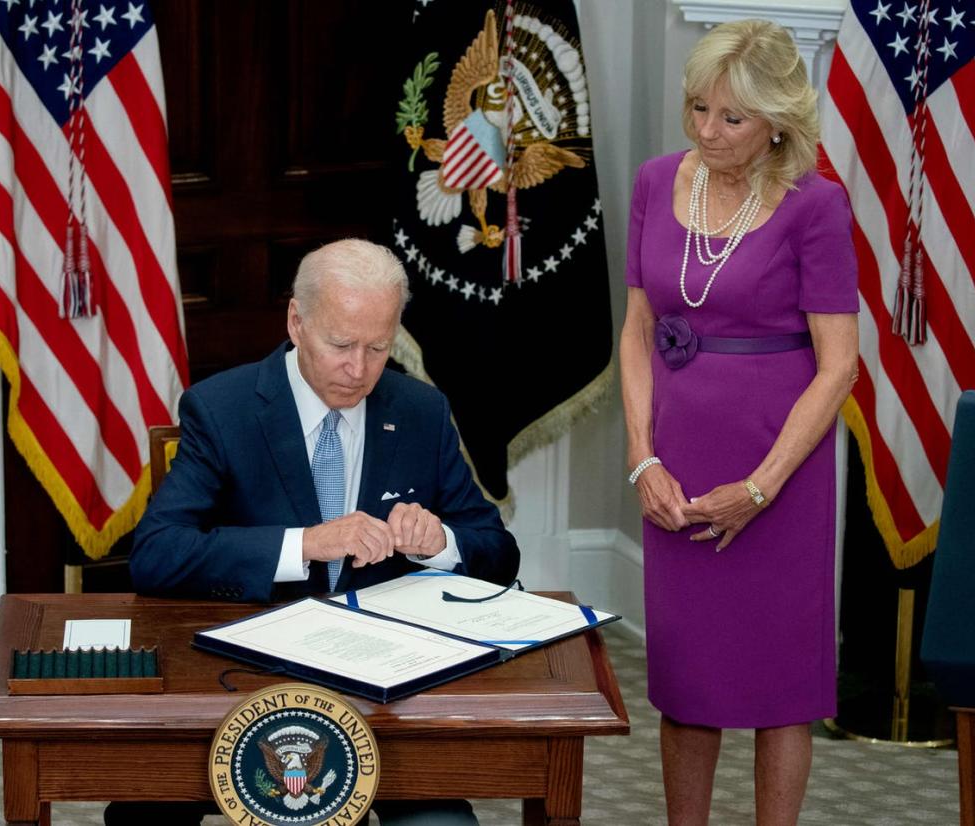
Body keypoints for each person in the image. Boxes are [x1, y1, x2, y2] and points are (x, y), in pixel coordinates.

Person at [108, 238, 520, 826]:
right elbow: (155, 555)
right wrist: (304, 544)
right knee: (141, 816)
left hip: (389, 692)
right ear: (296, 322)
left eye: (378, 347)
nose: (359, 369)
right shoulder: (221, 409)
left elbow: (499, 552)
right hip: (240, 682)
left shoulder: (421, 411)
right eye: (341, 344)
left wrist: (441, 543)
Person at [618, 19, 859, 826]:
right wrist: (641, 458)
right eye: (697, 109)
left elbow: (838, 366)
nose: (706, 131)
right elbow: (638, 330)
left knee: (781, 689)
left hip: (779, 471)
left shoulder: (817, 206)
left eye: (731, 118)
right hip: (677, 463)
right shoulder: (656, 181)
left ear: (778, 121)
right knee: (688, 682)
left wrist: (760, 486)